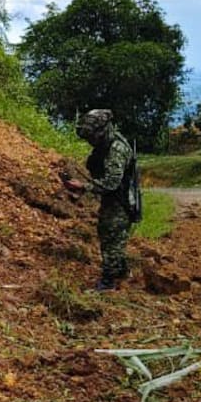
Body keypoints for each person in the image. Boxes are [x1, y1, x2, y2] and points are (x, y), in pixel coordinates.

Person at [61, 109, 134, 290]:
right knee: (110, 236)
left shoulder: (116, 150)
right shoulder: (106, 146)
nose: (90, 141)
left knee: (111, 238)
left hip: (120, 202)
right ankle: (122, 272)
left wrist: (84, 187)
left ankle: (109, 282)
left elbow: (111, 184)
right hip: (113, 200)